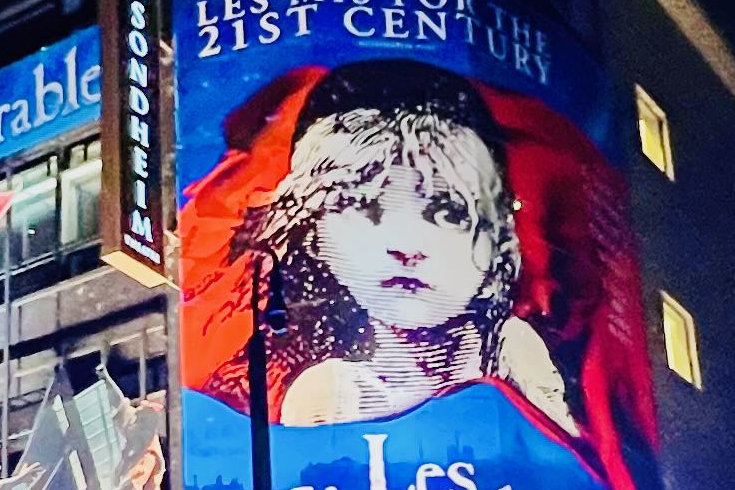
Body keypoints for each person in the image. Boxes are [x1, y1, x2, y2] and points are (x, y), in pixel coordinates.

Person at [246, 58, 580, 436]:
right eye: (363, 205)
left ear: (497, 239)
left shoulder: (515, 351)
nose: (407, 246)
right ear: (314, 231)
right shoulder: (330, 392)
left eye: (448, 213)